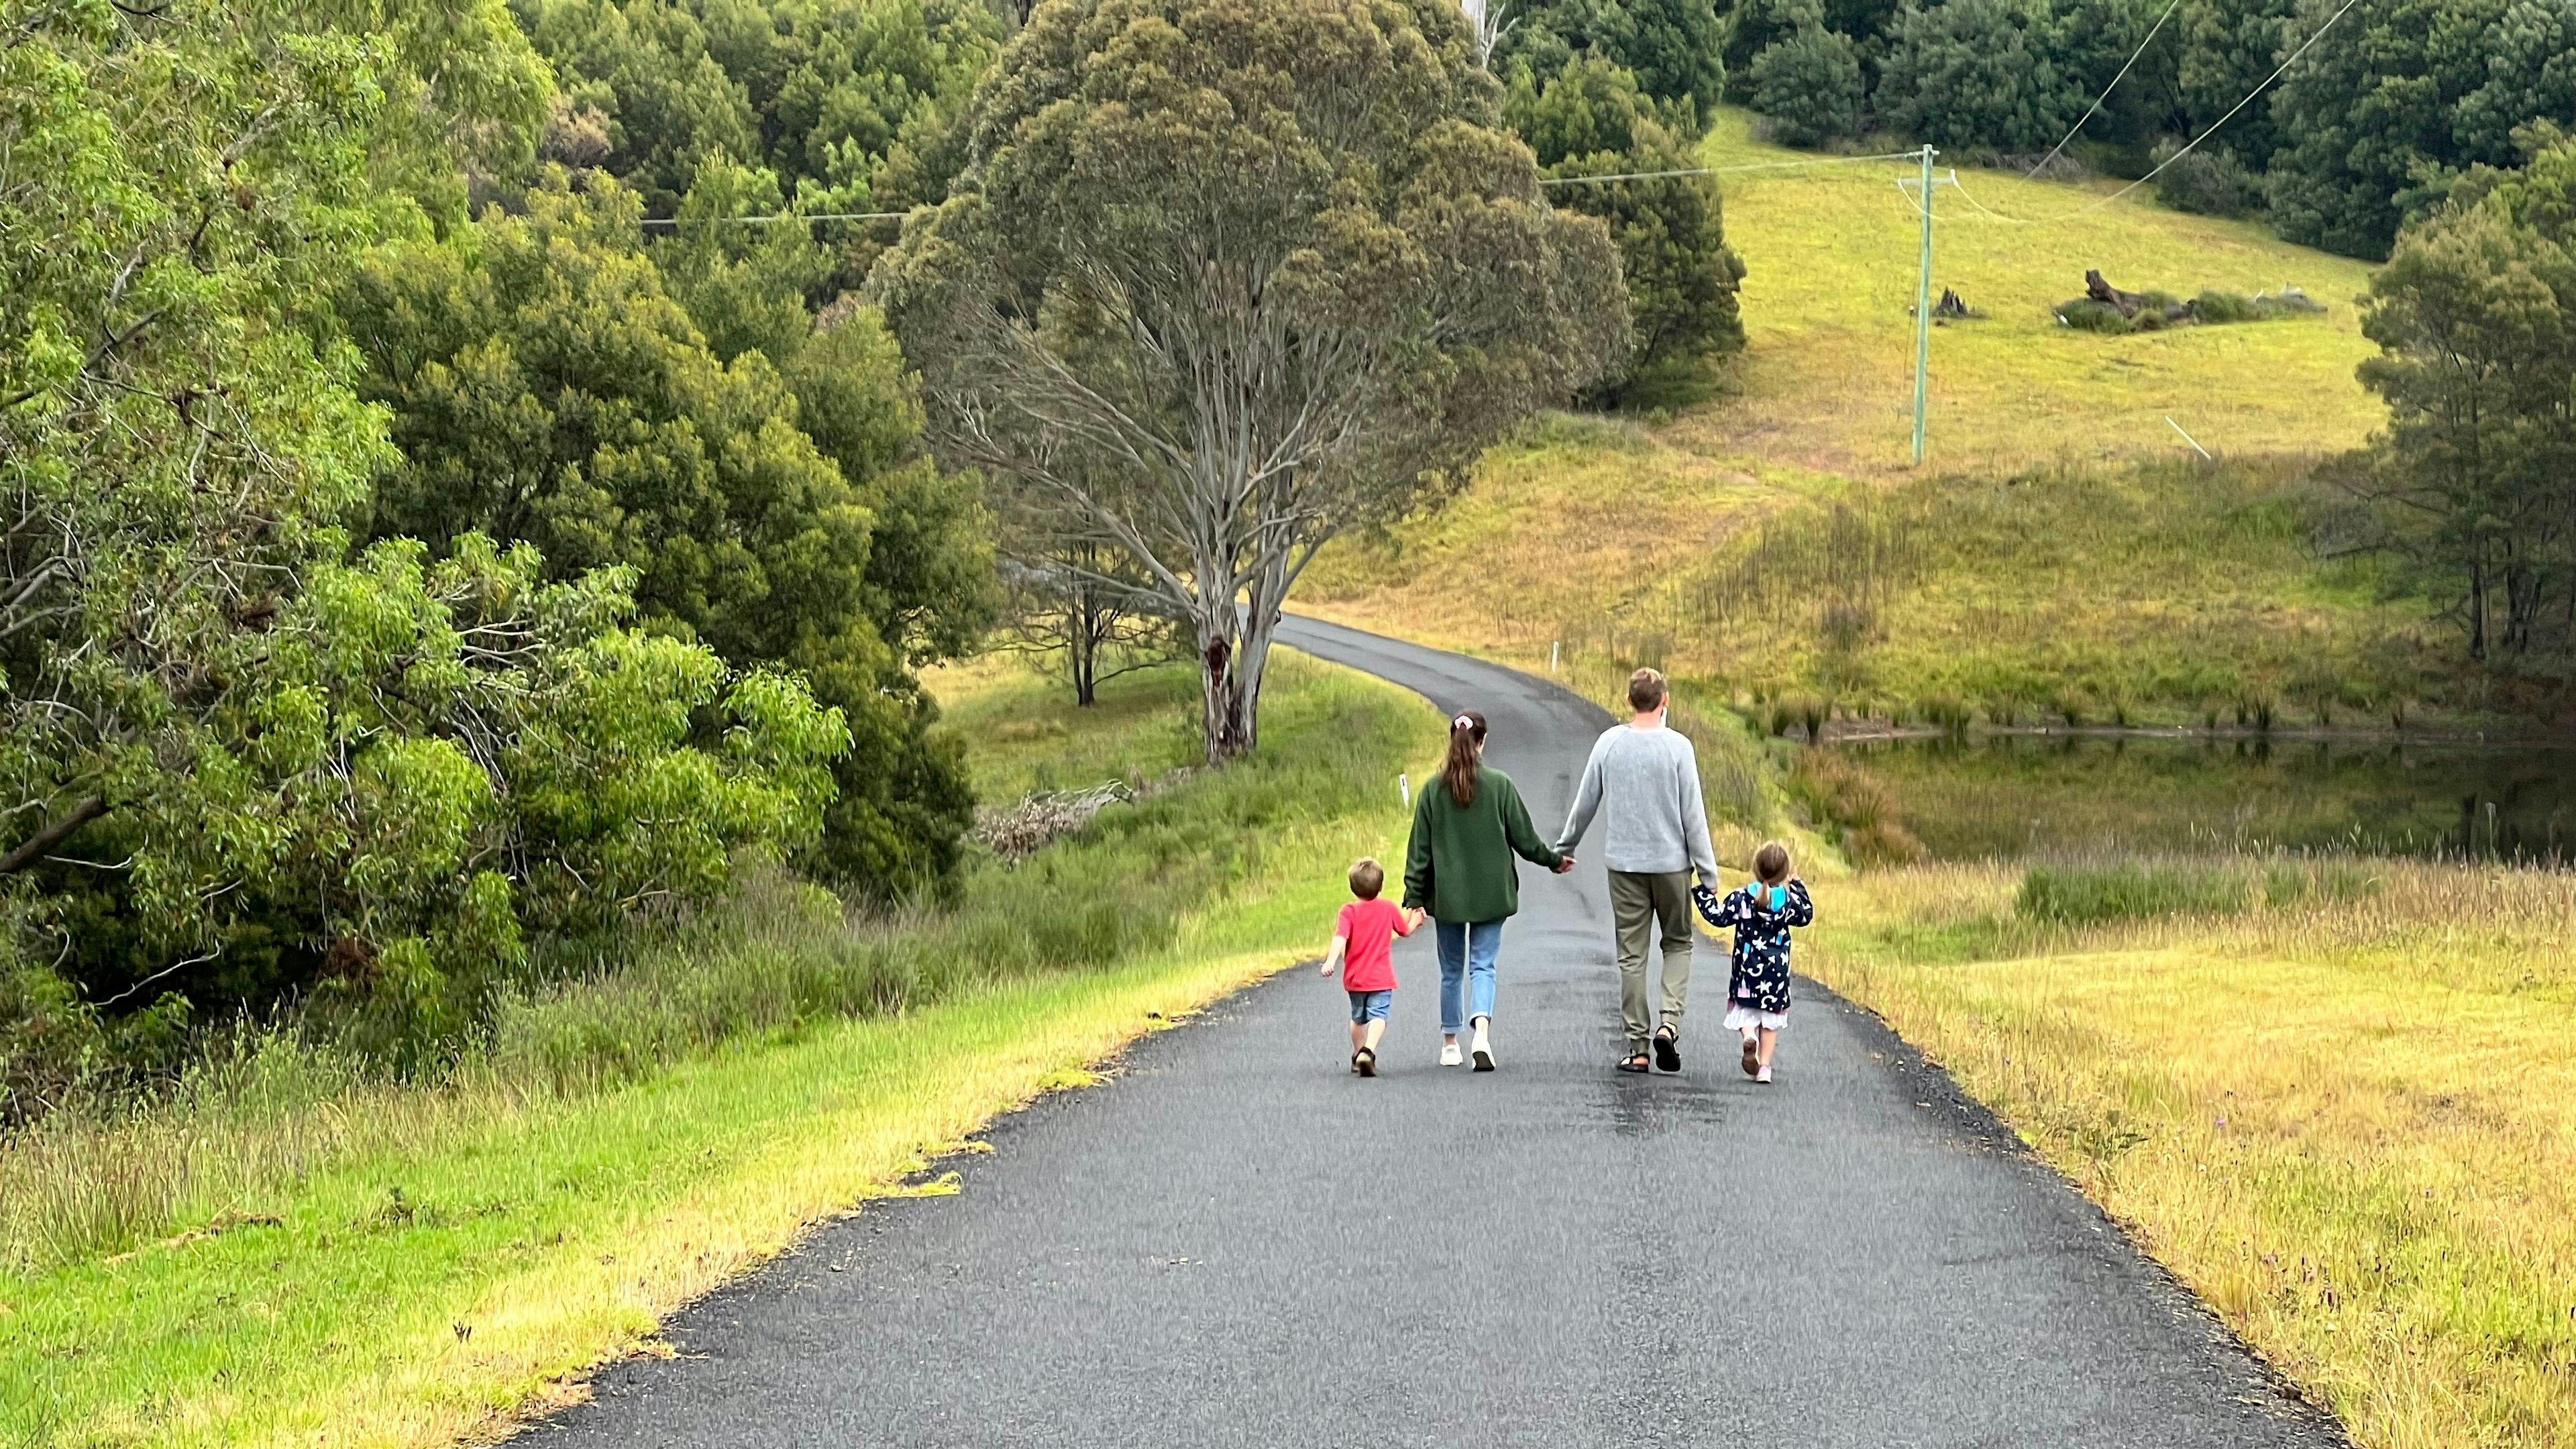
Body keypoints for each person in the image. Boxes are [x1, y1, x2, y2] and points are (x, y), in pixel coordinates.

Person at [1555, 667, 1719, 1076]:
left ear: (1629, 701)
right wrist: (1708, 874)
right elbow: (1693, 817)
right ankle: (1669, 1023)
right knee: (1678, 943)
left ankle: (1638, 1047)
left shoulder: (1609, 744)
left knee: (1632, 956)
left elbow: (1585, 802)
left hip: (1624, 867)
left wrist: (1565, 848)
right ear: (1664, 701)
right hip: (1672, 867)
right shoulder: (1679, 748)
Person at [1402, 710, 1572, 1071]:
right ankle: (1481, 1032)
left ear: (1453, 741)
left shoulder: (1433, 791)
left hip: (1448, 896)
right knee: (1483, 965)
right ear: (1483, 741)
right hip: (1492, 892)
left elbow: (1418, 850)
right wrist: (1554, 861)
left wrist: (1414, 898)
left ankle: (1451, 1043)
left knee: (1451, 969)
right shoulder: (1500, 785)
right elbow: (1525, 839)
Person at [1691, 841, 1814, 1085]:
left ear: (1755, 867)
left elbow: (1718, 917)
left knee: (1745, 1012)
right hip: (1776, 975)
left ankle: (1749, 1037)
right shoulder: (1788, 903)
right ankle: (1765, 1068)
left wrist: (1703, 894)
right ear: (1785, 873)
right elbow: (1806, 914)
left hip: (1747, 971)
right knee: (1769, 1023)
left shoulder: (1741, 897)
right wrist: (1798, 885)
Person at [1320, 857, 1423, 1077]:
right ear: (1381, 886)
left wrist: (1331, 961)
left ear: (1352, 888)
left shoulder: (1348, 911)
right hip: (1380, 978)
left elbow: (1340, 937)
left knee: (1358, 1018)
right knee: (1378, 1016)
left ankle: (1357, 1055)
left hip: (1356, 978)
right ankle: (1369, 1050)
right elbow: (1404, 930)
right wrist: (1415, 920)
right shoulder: (1387, 908)